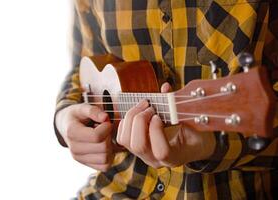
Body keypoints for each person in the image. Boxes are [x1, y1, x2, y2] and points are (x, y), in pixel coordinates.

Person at [54, 0, 278, 199]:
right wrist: (65, 118)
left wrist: (210, 145)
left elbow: (260, 104)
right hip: (116, 187)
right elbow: (84, 67)